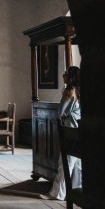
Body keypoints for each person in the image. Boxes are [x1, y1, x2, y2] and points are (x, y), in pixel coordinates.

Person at [41, 66, 82, 200]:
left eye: (65, 73)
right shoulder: (80, 90)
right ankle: (76, 191)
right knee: (77, 165)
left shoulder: (69, 91)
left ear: (70, 77)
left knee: (65, 163)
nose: (63, 75)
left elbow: (61, 112)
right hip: (79, 129)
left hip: (70, 129)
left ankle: (57, 193)